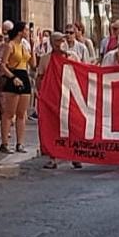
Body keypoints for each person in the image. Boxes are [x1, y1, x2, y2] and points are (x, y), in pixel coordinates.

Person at [37, 33, 82, 170]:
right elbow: (40, 77)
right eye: (57, 40)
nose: (61, 42)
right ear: (52, 42)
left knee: (73, 126)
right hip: (52, 99)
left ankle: (76, 156)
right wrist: (41, 94)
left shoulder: (73, 57)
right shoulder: (45, 59)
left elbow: (81, 74)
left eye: (62, 40)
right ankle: (53, 157)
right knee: (53, 127)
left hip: (70, 97)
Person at [0, 22, 36, 154]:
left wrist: (32, 45)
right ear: (20, 31)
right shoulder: (10, 45)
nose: (28, 32)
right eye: (26, 30)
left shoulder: (24, 46)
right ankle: (4, 143)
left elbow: (33, 64)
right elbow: (2, 65)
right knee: (9, 113)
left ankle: (20, 143)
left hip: (24, 76)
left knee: (22, 113)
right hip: (14, 76)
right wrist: (12, 77)